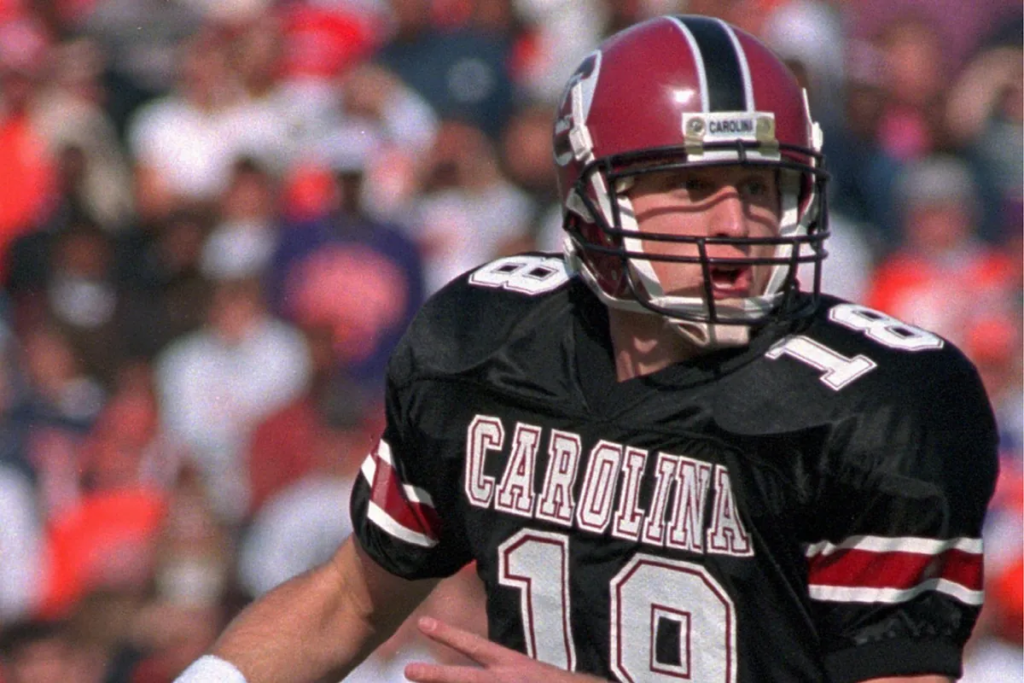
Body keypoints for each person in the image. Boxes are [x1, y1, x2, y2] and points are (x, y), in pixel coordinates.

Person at [174, 15, 998, 683]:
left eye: (759, 186)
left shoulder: (876, 404)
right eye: (693, 186)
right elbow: (346, 601)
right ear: (594, 200)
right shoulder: (488, 343)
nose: (735, 223)